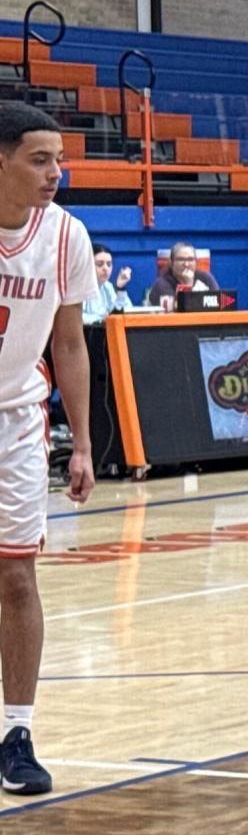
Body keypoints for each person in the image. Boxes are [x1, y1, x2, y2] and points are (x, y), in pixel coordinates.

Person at [0, 103, 97, 795]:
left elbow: (69, 343)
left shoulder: (64, 235)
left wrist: (84, 443)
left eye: (59, 159)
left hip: (16, 422)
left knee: (15, 578)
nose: (55, 173)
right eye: (40, 159)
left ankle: (17, 733)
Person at [146, 241, 220, 303]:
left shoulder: (206, 278)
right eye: (181, 259)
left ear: (196, 262)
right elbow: (182, 309)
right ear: (171, 263)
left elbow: (218, 302)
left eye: (190, 259)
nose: (186, 264)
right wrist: (188, 284)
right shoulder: (161, 284)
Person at [82, 243, 131, 323]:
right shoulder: (80, 287)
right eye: (100, 264)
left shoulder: (108, 286)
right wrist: (102, 320)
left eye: (109, 264)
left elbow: (125, 311)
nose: (105, 268)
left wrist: (120, 288)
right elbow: (77, 318)